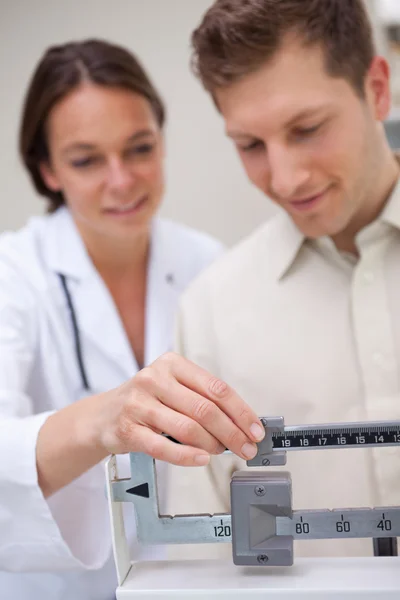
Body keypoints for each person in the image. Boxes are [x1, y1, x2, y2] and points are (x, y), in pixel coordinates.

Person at [0, 39, 266, 599]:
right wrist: (105, 422)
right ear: (47, 169)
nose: (121, 180)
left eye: (139, 148)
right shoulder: (13, 274)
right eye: (86, 159)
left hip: (192, 581)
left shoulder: (208, 265)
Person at [165, 0, 400, 560]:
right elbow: (195, 562)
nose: (286, 178)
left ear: (376, 88)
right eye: (250, 145)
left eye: (308, 128)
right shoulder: (210, 311)